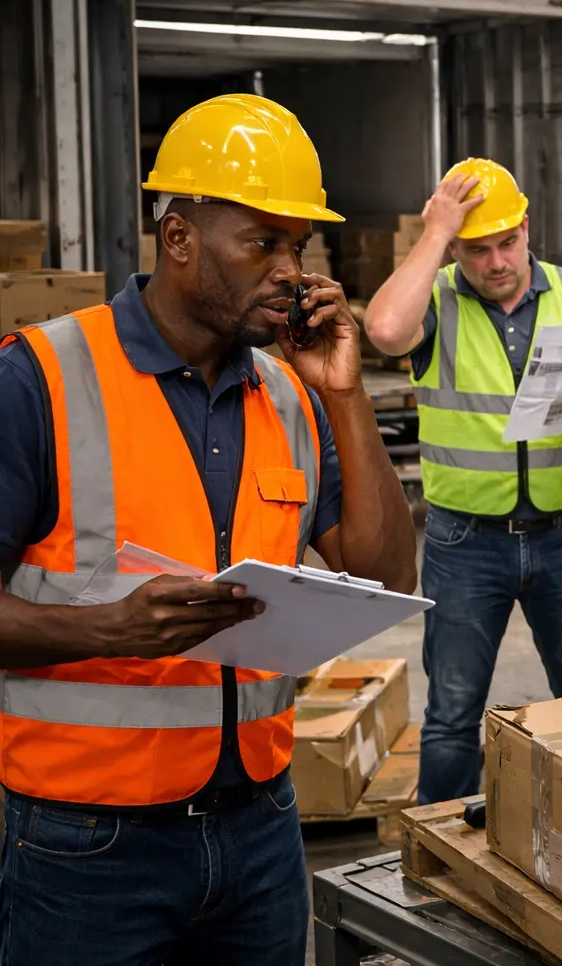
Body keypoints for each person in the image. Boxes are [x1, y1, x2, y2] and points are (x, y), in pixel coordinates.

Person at [0, 94, 418, 965]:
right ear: (179, 236)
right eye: (262, 241)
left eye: (297, 246)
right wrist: (105, 629)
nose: (289, 270)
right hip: (85, 846)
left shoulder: (293, 396)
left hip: (261, 828)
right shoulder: (41, 379)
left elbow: (384, 575)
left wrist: (345, 394)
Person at [363, 159, 562, 805]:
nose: (497, 261)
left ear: (527, 227)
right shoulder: (437, 298)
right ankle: (438, 844)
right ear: (455, 247)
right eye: (477, 249)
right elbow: (386, 331)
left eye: (507, 242)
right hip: (465, 543)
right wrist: (437, 233)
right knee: (450, 717)